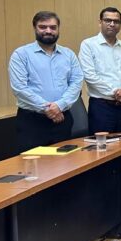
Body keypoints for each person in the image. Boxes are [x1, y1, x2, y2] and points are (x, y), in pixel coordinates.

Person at [8, 11, 83, 152]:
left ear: (58, 29)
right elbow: (19, 88)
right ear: (34, 28)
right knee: (32, 163)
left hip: (62, 119)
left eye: (53, 27)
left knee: (65, 162)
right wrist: (47, 108)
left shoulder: (68, 54)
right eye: (43, 27)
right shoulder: (21, 54)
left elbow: (76, 82)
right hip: (32, 122)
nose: (48, 31)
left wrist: (59, 105)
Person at [79, 6, 121, 134]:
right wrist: (118, 94)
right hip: (101, 107)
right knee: (101, 145)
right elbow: (90, 76)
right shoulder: (88, 45)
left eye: (116, 21)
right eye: (108, 20)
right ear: (100, 22)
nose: (112, 24)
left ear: (120, 25)